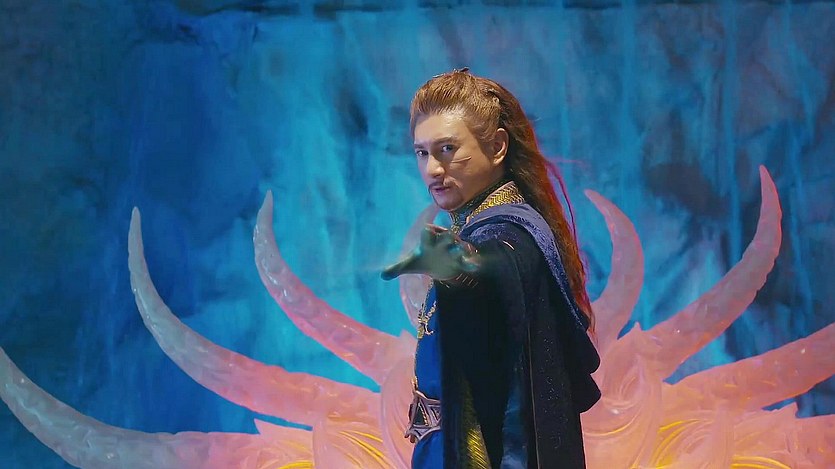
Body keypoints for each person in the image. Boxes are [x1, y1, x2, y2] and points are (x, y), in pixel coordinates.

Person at [382, 69, 601, 469]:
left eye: (447, 149)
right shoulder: (478, 224)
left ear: (498, 146)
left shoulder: (511, 232)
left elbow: (497, 264)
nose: (432, 169)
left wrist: (463, 270)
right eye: (422, 153)